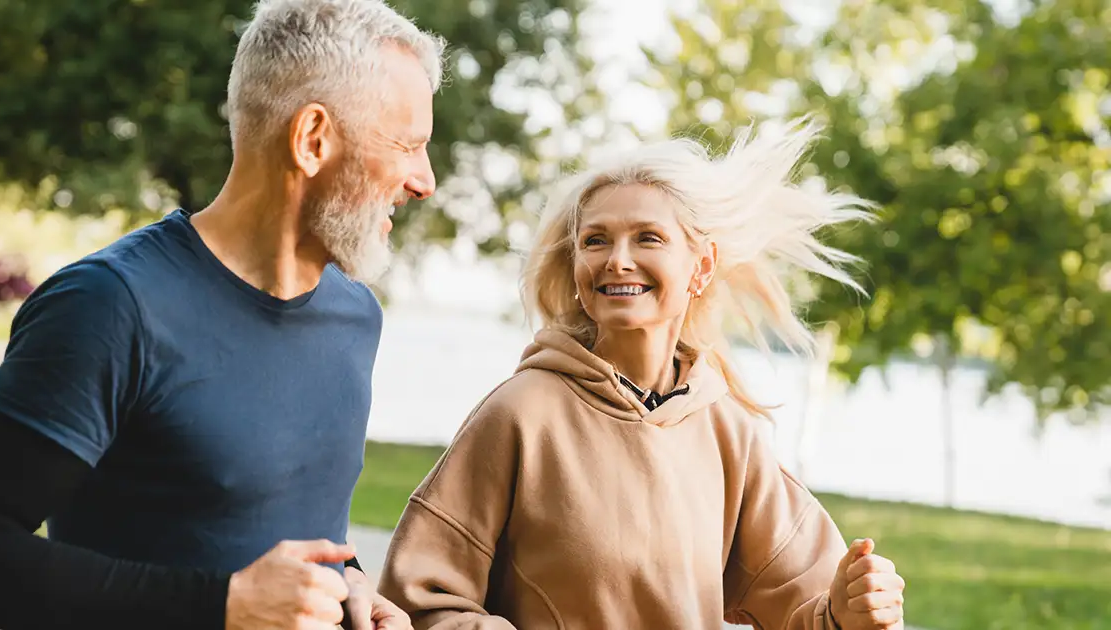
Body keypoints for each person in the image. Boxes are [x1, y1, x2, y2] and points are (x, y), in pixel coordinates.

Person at [0, 1, 444, 629]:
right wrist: (221, 607)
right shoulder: (108, 306)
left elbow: (285, 529)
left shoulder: (355, 314)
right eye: (407, 145)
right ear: (312, 140)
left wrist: (347, 583)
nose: (425, 180)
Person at [376, 118, 908, 629]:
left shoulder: (727, 431)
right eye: (596, 240)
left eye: (648, 238)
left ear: (700, 266)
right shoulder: (520, 412)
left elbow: (807, 604)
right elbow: (417, 601)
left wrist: (849, 608)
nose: (617, 260)